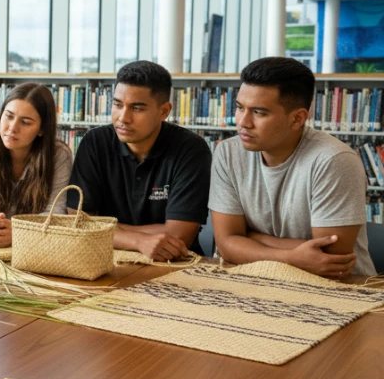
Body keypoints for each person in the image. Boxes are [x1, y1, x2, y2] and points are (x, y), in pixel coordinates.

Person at [210, 57, 373, 278]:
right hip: (255, 280)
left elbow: (328, 257)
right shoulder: (227, 152)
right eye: (240, 108)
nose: (243, 122)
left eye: (259, 112)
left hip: (340, 289)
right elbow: (226, 244)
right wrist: (292, 257)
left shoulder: (334, 160)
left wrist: (251, 238)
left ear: (297, 118)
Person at [67, 61, 211, 261]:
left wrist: (107, 228)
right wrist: (138, 241)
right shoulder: (94, 142)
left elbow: (178, 236)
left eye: (137, 108)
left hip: (173, 263)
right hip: (103, 259)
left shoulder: (191, 149)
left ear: (164, 111)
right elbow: (78, 223)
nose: (123, 118)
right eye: (117, 105)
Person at [0, 82, 73, 246]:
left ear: (42, 129)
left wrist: (18, 232)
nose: (12, 128)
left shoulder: (58, 155)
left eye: (25, 122)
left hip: (37, 249)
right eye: (9, 116)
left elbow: (55, 215)